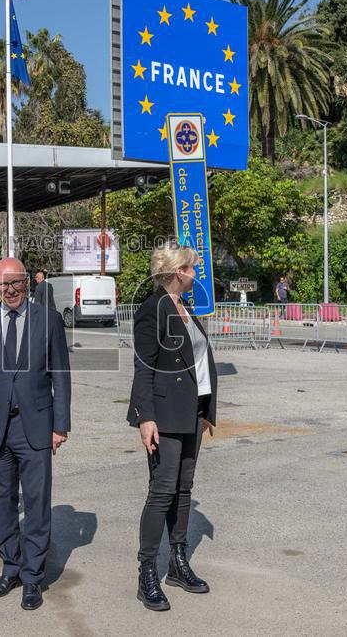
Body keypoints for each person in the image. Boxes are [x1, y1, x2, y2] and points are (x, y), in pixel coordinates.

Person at [0, 257, 71, 611]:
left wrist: (60, 425)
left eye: (16, 282)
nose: (10, 290)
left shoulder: (49, 320)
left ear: (27, 282)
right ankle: (10, 568)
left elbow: (61, 376)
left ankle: (32, 576)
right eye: (2, 284)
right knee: (1, 502)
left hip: (36, 427)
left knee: (36, 503)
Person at [127, 242, 218, 612]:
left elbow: (199, 362)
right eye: (191, 268)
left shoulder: (185, 307)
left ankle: (178, 563)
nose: (196, 274)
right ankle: (147, 571)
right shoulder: (152, 310)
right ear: (177, 271)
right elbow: (143, 367)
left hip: (191, 412)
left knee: (183, 489)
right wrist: (145, 417)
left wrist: (207, 408)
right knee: (162, 491)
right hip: (163, 414)